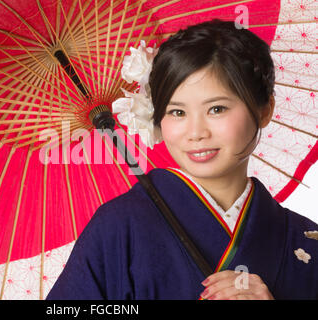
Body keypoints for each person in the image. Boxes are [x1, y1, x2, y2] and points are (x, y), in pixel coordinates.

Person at [46, 19, 318, 300]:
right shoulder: (118, 227)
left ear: (264, 109)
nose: (196, 132)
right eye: (177, 112)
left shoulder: (306, 241)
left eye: (216, 108)